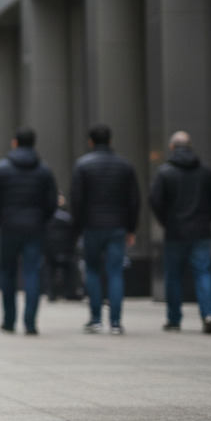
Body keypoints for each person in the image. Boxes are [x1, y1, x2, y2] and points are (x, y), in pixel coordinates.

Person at [0, 127, 58, 335]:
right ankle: (30, 322)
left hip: (9, 227)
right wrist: (42, 219)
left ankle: (9, 320)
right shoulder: (44, 170)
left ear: (14, 143)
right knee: (32, 272)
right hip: (35, 228)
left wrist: (1, 219)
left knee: (7, 272)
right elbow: (52, 201)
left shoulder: (1, 169)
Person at [149, 131, 211, 334]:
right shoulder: (206, 172)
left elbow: (155, 201)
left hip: (175, 232)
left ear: (172, 147)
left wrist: (167, 221)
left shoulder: (165, 172)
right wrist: (206, 219)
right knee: (203, 273)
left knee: (173, 276)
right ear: (190, 146)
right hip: (200, 231)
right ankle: (208, 315)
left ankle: (174, 319)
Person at [70, 123, 140, 335]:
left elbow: (77, 200)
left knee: (92, 270)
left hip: (92, 226)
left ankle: (96, 319)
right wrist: (131, 228)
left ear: (90, 142)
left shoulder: (83, 165)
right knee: (115, 271)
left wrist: (78, 227)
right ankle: (116, 323)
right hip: (117, 226)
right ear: (111, 141)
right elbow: (134, 200)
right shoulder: (125, 166)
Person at [44, 194, 79, 302]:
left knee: (50, 270)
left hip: (51, 248)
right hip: (65, 248)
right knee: (68, 270)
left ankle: (51, 293)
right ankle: (69, 292)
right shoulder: (67, 216)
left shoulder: (45, 216)